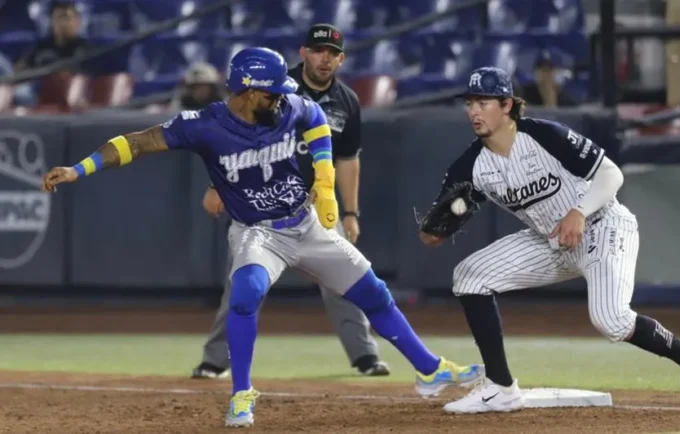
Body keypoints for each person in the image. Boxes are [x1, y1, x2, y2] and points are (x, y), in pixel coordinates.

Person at [41, 47, 484, 428]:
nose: (281, 99)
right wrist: (79, 169)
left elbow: (314, 120)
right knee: (246, 293)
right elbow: (137, 142)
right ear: (248, 90)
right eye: (272, 93)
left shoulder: (289, 107)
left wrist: (326, 183)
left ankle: (429, 370)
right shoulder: (205, 125)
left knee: (374, 292)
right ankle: (241, 393)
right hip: (257, 233)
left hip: (304, 222)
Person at [417, 66, 680, 414]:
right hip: (550, 242)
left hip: (603, 226)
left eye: (483, 102)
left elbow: (612, 174)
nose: (474, 110)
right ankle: (501, 387)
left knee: (612, 321)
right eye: (470, 102)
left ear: (506, 105)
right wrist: (433, 232)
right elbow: (433, 234)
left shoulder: (544, 135)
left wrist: (579, 210)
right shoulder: (469, 166)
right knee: (469, 275)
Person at [191, 24, 390, 380]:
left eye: (331, 53)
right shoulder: (276, 86)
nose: (324, 59)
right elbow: (233, 133)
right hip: (260, 200)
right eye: (317, 51)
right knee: (242, 283)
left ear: (341, 59)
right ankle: (216, 360)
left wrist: (350, 212)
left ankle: (364, 355)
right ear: (303, 53)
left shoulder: (346, 101)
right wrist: (215, 184)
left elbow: (347, 159)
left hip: (315, 203)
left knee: (342, 277)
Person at [15, 0, 88, 73]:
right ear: (52, 22)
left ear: (77, 22)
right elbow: (20, 71)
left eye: (68, 18)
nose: (64, 23)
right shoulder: (40, 47)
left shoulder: (87, 50)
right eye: (60, 17)